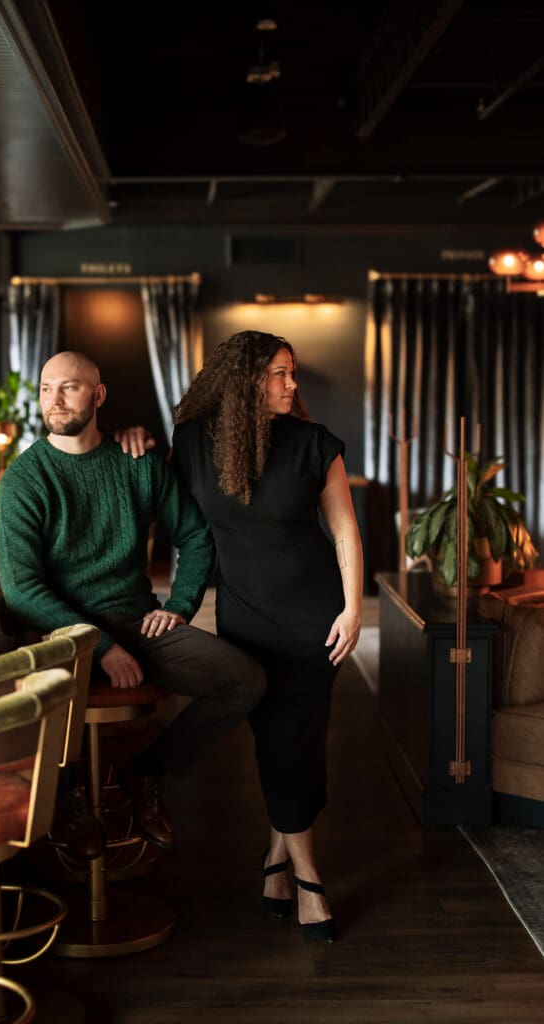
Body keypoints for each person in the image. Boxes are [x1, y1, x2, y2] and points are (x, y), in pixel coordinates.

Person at [0, 350, 266, 849]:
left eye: (69, 387)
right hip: (62, 636)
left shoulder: (137, 465)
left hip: (140, 623)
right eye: (47, 388)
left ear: (98, 395)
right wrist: (98, 646)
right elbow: (22, 591)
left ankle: (148, 771)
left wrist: (179, 606)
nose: (54, 400)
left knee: (244, 681)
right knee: (41, 703)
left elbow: (197, 536)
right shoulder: (23, 481)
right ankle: (67, 798)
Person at [170, 330, 363, 942]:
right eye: (280, 373)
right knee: (277, 738)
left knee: (293, 739)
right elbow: (183, 526)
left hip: (315, 617)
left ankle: (305, 877)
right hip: (246, 616)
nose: (291, 384)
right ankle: (276, 860)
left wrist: (354, 608)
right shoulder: (193, 445)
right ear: (245, 379)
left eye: (292, 372)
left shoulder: (313, 444)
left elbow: (344, 536)